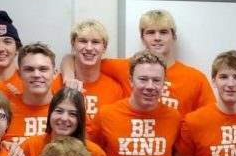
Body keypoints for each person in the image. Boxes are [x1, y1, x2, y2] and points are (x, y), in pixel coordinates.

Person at [61, 9, 215, 116]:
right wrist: (68, 76)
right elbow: (76, 58)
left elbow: (209, 119)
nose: (157, 37)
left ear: (174, 37)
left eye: (163, 32)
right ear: (142, 38)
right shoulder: (125, 67)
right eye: (150, 32)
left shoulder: (195, 78)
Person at [88, 51, 183, 156]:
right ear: (131, 80)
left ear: (164, 83)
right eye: (143, 79)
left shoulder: (174, 117)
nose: (150, 86)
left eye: (156, 80)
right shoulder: (106, 114)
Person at [49, 19, 125, 120]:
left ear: (105, 47)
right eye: (83, 41)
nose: (89, 48)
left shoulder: (115, 90)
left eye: (95, 42)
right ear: (73, 44)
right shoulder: (55, 85)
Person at [5, 42, 55, 146]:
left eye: (43, 69)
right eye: (29, 69)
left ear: (55, 73)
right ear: (19, 74)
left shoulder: (66, 112)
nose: (36, 75)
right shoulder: (4, 111)